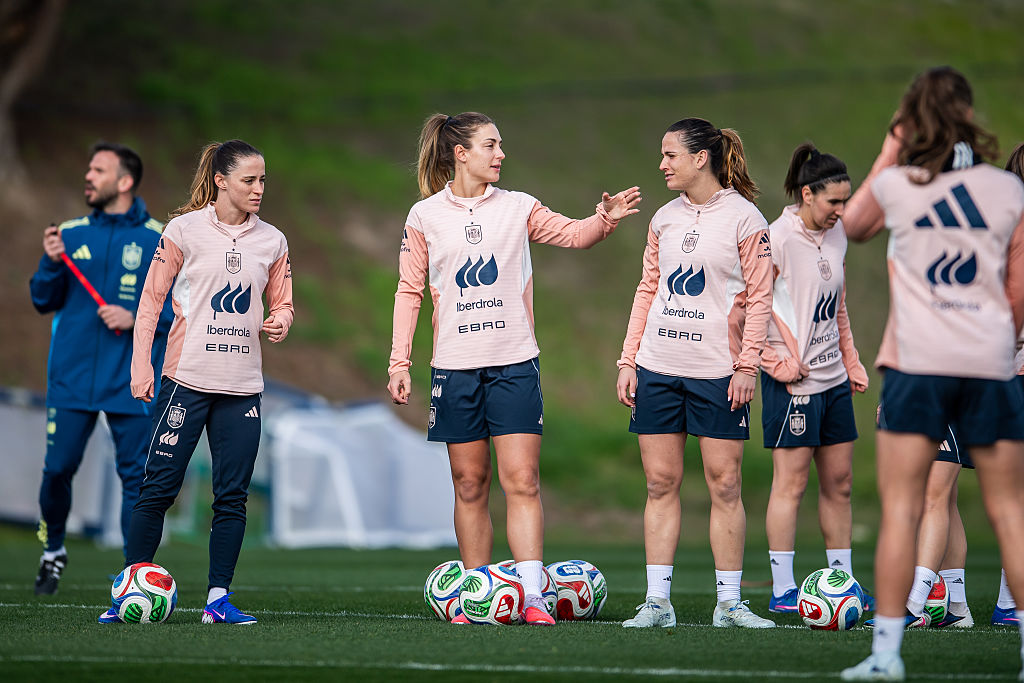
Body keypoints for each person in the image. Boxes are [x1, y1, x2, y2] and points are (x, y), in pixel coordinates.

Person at [387, 111, 641, 626]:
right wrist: (400, 361)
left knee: (522, 479)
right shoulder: (424, 216)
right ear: (460, 153)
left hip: (513, 364)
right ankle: (479, 595)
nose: (501, 154)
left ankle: (531, 597)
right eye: (490, 145)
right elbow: (409, 291)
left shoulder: (520, 207)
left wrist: (606, 218)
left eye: (500, 145)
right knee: (469, 483)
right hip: (454, 369)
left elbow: (574, 235)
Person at [839, 67, 1024, 681]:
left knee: (901, 509)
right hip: (990, 366)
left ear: (913, 121)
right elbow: (1019, 290)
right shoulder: (1007, 190)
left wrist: (893, 141)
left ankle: (887, 656)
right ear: (970, 117)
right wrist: (991, 331)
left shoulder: (899, 183)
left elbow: (853, 226)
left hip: (918, 364)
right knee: (1009, 510)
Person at [97, 139, 293, 624]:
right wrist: (141, 364)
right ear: (221, 180)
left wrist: (281, 320)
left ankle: (217, 601)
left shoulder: (273, 241)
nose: (258, 189)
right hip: (185, 381)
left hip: (243, 388)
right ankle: (129, 594)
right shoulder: (182, 231)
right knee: (158, 489)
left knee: (231, 496)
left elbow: (284, 303)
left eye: (263, 180)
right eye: (249, 180)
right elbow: (149, 304)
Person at [616, 117, 775, 629]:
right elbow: (647, 290)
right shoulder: (663, 218)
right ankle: (657, 603)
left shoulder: (746, 219)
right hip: (658, 367)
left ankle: (730, 603)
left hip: (717, 373)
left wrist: (747, 365)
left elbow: (761, 299)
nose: (662, 165)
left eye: (670, 156)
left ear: (700, 158)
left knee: (725, 484)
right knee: (660, 483)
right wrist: (628, 360)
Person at [29, 142, 171, 595]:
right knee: (57, 470)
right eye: (88, 168)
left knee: (136, 478)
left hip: (132, 378)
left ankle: (136, 575)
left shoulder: (160, 238)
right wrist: (52, 263)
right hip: (71, 379)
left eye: (98, 169)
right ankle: (53, 550)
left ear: (125, 181)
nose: (87, 176)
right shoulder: (68, 235)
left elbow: (182, 307)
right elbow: (41, 298)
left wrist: (136, 317)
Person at [758, 143, 872, 613]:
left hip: (833, 381)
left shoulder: (838, 234)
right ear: (807, 194)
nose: (841, 211)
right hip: (793, 384)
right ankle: (783, 589)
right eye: (833, 202)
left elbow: (838, 306)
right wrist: (773, 359)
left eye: (845, 201)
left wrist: (852, 359)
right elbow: (744, 306)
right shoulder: (776, 237)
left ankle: (841, 584)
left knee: (840, 483)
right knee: (792, 485)